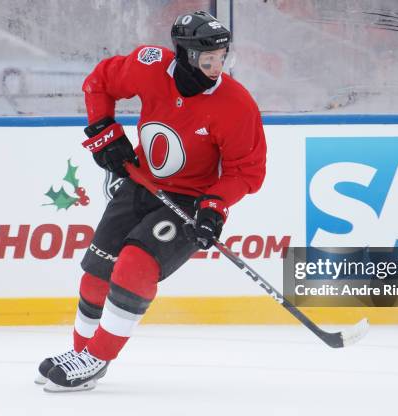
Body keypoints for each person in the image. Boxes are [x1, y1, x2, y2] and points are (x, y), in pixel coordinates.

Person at [36, 10, 267, 392]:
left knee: (134, 266)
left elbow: (247, 171)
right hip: (140, 182)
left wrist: (215, 207)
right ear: (184, 54)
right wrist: (102, 131)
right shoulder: (149, 66)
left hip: (191, 201)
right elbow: (98, 83)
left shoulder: (236, 104)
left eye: (222, 58)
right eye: (207, 59)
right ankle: (81, 354)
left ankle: (96, 359)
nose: (216, 67)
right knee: (96, 274)